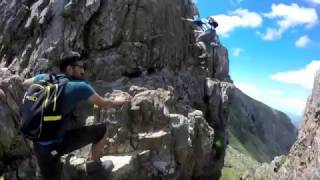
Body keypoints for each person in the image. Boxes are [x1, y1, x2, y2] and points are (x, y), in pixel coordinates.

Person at [22, 56, 131, 180]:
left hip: (37, 142)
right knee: (102, 130)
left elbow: (24, 83)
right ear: (69, 68)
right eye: (80, 67)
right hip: (56, 144)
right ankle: (94, 168)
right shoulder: (79, 87)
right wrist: (118, 101)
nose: (83, 71)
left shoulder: (44, 78)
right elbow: (104, 104)